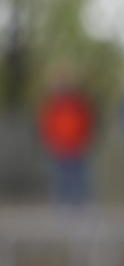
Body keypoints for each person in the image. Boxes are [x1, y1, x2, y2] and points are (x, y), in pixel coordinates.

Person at [38, 74, 95, 205]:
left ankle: (81, 204)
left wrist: (85, 141)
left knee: (78, 176)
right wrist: (50, 141)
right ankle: (63, 205)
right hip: (59, 146)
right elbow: (46, 125)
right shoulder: (53, 104)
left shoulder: (80, 103)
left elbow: (88, 122)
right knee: (61, 177)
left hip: (77, 145)